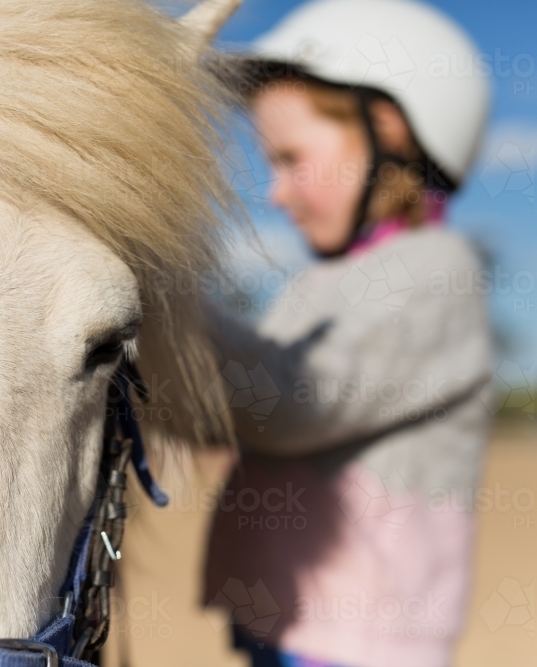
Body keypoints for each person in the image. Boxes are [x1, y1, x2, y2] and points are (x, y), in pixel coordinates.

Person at [203, 1, 493, 666]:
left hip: (362, 643)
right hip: (286, 624)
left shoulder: (435, 269)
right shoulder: (315, 285)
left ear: (386, 130)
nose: (273, 193)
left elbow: (288, 404)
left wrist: (166, 304)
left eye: (290, 158)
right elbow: (226, 410)